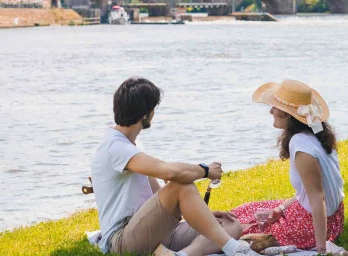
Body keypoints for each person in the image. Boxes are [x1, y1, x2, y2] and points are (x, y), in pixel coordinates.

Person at [91, 77, 259, 256]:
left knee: (230, 225)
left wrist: (203, 216)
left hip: (151, 232)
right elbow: (171, 172)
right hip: (122, 241)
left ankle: (183, 255)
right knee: (180, 184)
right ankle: (236, 250)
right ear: (145, 114)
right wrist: (206, 170)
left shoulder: (132, 146)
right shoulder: (116, 147)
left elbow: (157, 197)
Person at [232, 80, 348, 255]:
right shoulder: (317, 135)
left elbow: (318, 198)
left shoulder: (301, 145)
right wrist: (281, 209)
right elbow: (310, 192)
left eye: (275, 107)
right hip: (332, 220)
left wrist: (321, 249)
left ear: (289, 115)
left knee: (234, 229)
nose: (271, 111)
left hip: (310, 225)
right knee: (243, 211)